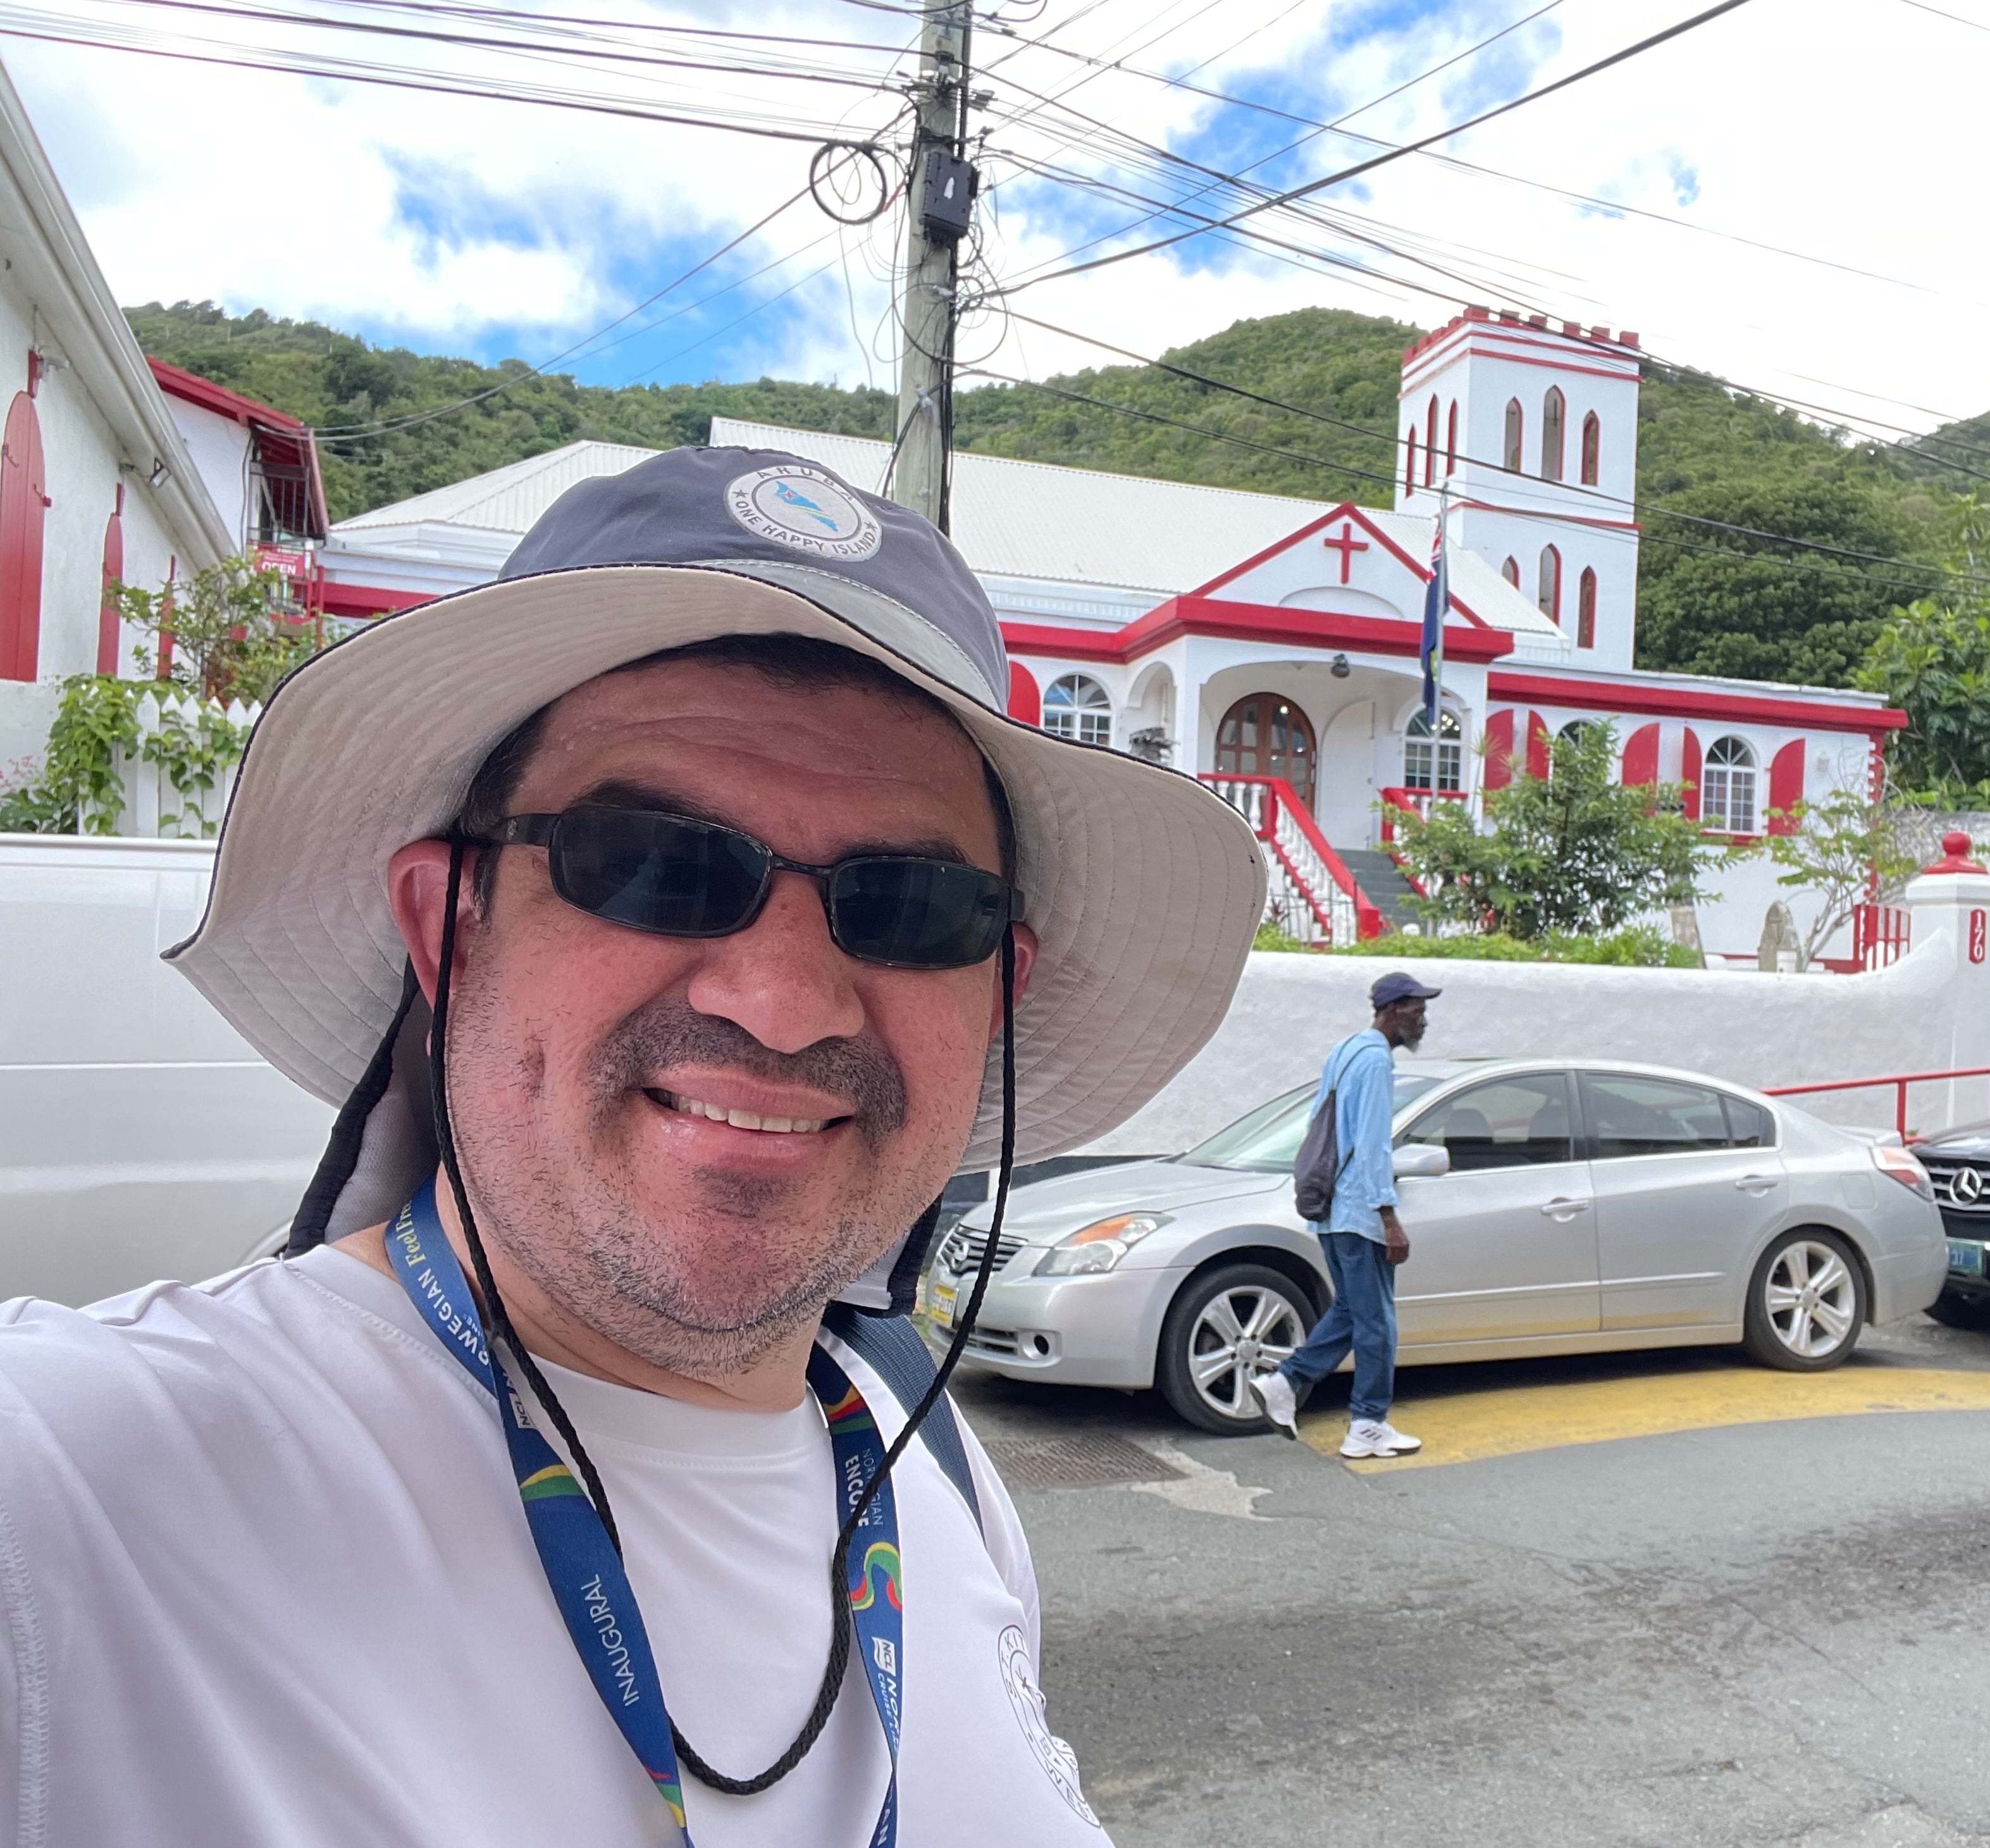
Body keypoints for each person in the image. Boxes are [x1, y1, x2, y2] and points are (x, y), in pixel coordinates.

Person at [0, 447, 1266, 1844]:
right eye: (654, 862)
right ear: (448, 928)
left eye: (906, 903)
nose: (779, 1002)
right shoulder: (85, 1493)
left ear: (995, 998)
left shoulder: (929, 1473)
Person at [1256, 971, 1438, 1460]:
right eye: (1417, 1008)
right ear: (1393, 1009)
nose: (1424, 1018)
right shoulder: (1376, 1061)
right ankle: (1368, 1423)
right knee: (1377, 1322)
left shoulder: (1346, 1051)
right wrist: (1389, 1216)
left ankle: (1286, 1382)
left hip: (1332, 1209)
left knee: (1351, 1312)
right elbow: (1373, 1144)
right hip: (1360, 1210)